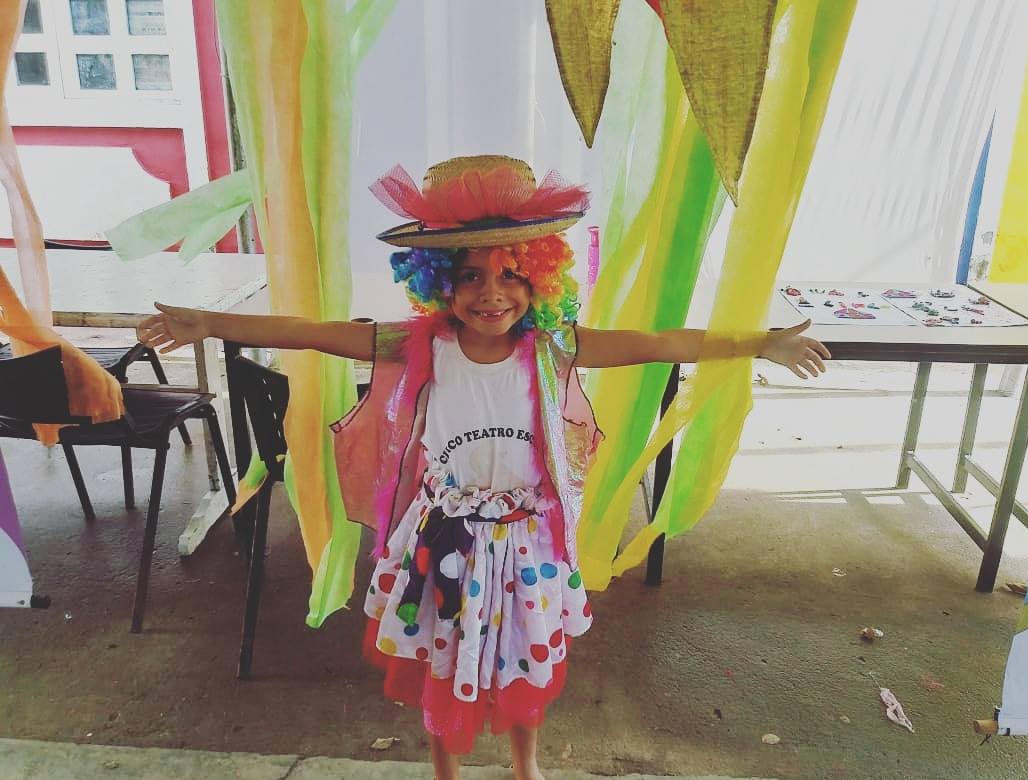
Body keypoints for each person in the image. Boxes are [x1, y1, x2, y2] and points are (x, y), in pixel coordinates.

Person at [138, 155, 829, 780]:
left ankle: (527, 766)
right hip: (443, 541)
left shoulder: (556, 349)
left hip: (529, 545)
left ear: (539, 278)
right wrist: (211, 323)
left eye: (510, 274)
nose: (491, 293)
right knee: (443, 659)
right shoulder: (414, 344)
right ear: (439, 282)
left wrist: (758, 342)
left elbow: (659, 342)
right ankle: (446, 770)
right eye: (470, 275)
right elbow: (306, 332)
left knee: (527, 659)